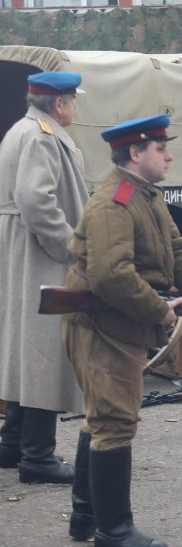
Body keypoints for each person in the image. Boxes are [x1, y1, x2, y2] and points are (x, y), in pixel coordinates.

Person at [60, 114, 182, 546]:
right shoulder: (115, 200)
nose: (169, 154)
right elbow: (111, 275)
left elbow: (177, 247)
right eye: (160, 148)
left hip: (119, 319)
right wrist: (160, 311)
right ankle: (113, 531)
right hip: (102, 322)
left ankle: (85, 517)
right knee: (114, 421)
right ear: (135, 153)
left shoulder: (145, 195)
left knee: (103, 416)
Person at [0, 71, 89, 485]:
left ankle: (13, 444)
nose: (75, 107)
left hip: (24, 248)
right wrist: (71, 247)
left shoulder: (26, 129)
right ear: (59, 104)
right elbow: (37, 203)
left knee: (25, 349)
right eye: (73, 101)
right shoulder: (40, 135)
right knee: (43, 353)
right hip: (40, 251)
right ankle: (37, 456)